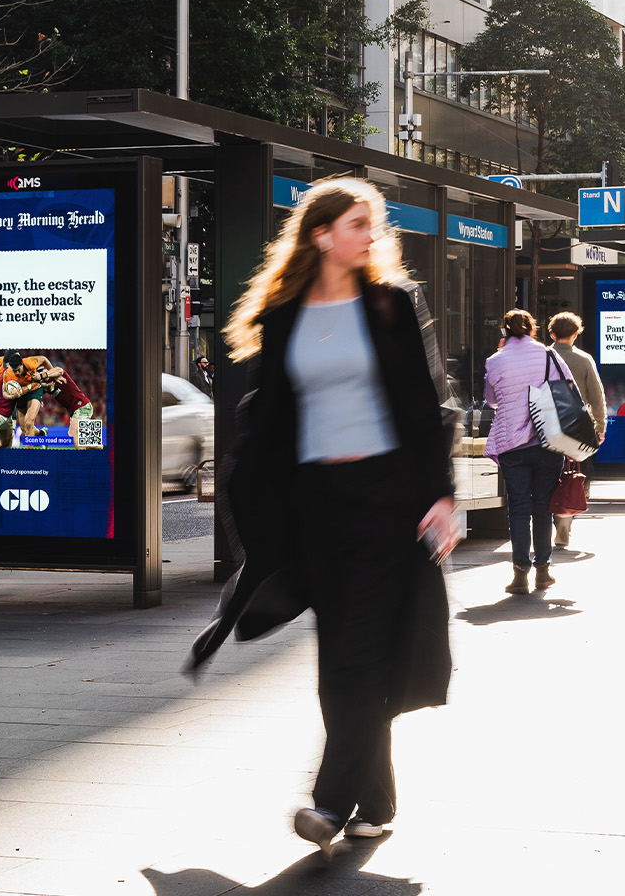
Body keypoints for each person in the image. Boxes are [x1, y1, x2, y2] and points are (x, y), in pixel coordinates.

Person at [188, 178, 456, 859]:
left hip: (386, 500)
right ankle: (378, 801)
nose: (371, 235)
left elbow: (425, 406)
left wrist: (442, 495)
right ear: (321, 234)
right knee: (342, 653)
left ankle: (331, 802)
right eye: (358, 224)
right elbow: (271, 416)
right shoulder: (285, 315)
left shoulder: (392, 304)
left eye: (373, 225)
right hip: (316, 504)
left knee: (359, 650)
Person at [484, 310, 572, 595]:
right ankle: (543, 571)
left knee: (519, 509)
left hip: (512, 444)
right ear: (533, 330)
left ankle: (520, 573)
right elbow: (568, 388)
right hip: (548, 440)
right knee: (543, 507)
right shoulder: (549, 355)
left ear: (505, 331)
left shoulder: (495, 361)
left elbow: (491, 401)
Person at [546, 312, 605, 549]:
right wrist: (600, 426)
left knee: (547, 476)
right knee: (570, 475)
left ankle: (544, 526)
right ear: (576, 334)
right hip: (576, 428)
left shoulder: (543, 357)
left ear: (552, 334)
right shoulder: (584, 359)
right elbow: (596, 397)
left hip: (545, 427)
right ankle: (563, 525)